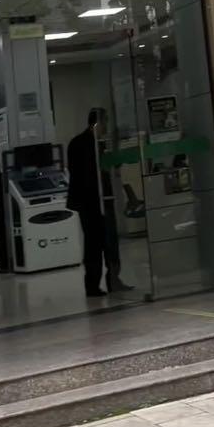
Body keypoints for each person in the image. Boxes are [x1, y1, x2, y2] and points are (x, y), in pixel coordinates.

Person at [66, 107, 132, 298]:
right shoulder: (87, 144)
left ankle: (102, 282)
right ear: (97, 123)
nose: (106, 126)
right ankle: (99, 283)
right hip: (93, 202)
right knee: (98, 242)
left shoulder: (84, 143)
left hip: (94, 201)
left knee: (98, 242)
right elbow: (92, 173)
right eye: (105, 122)